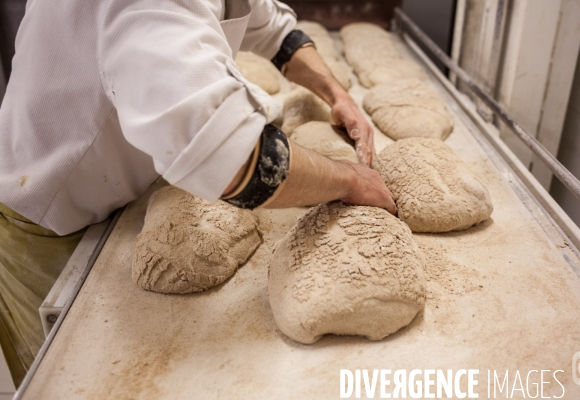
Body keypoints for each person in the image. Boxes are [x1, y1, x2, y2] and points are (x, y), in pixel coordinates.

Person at [0, 0, 395, 386]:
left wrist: (337, 94)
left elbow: (274, 29)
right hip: (49, 215)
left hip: (119, 184)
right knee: (80, 379)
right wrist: (350, 179)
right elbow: (234, 159)